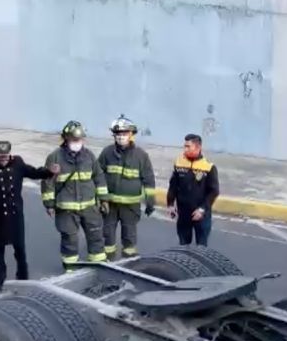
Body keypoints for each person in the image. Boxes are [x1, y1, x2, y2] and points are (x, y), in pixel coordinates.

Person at [0, 140, 58, 292]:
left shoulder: (18, 163)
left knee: (20, 249)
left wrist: (49, 172)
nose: (3, 159)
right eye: (0, 156)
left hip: (14, 214)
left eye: (5, 156)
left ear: (10, 154)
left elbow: (34, 172)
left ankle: (23, 277)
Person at [41, 121, 109, 272]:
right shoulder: (54, 158)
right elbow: (48, 184)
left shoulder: (89, 156)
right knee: (69, 240)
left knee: (96, 237)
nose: (78, 143)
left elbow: (99, 177)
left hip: (90, 207)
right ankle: (71, 270)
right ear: (66, 139)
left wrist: (104, 199)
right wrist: (49, 205)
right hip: (66, 209)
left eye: (80, 140)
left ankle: (99, 268)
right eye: (74, 140)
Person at [97, 115, 156, 259]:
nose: (121, 137)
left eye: (124, 134)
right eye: (118, 134)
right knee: (107, 235)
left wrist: (150, 202)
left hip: (130, 205)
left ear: (131, 134)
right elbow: (98, 175)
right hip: (109, 204)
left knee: (129, 236)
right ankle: (108, 262)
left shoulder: (141, 156)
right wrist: (101, 199)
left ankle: (128, 263)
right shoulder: (107, 153)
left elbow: (148, 179)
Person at [167, 134, 220, 246]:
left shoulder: (208, 167)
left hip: (201, 214)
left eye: (188, 147)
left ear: (198, 147)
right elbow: (173, 186)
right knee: (183, 245)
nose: (185, 149)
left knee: (201, 247)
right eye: (184, 146)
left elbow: (214, 191)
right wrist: (170, 204)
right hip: (183, 213)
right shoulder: (179, 163)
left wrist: (202, 209)